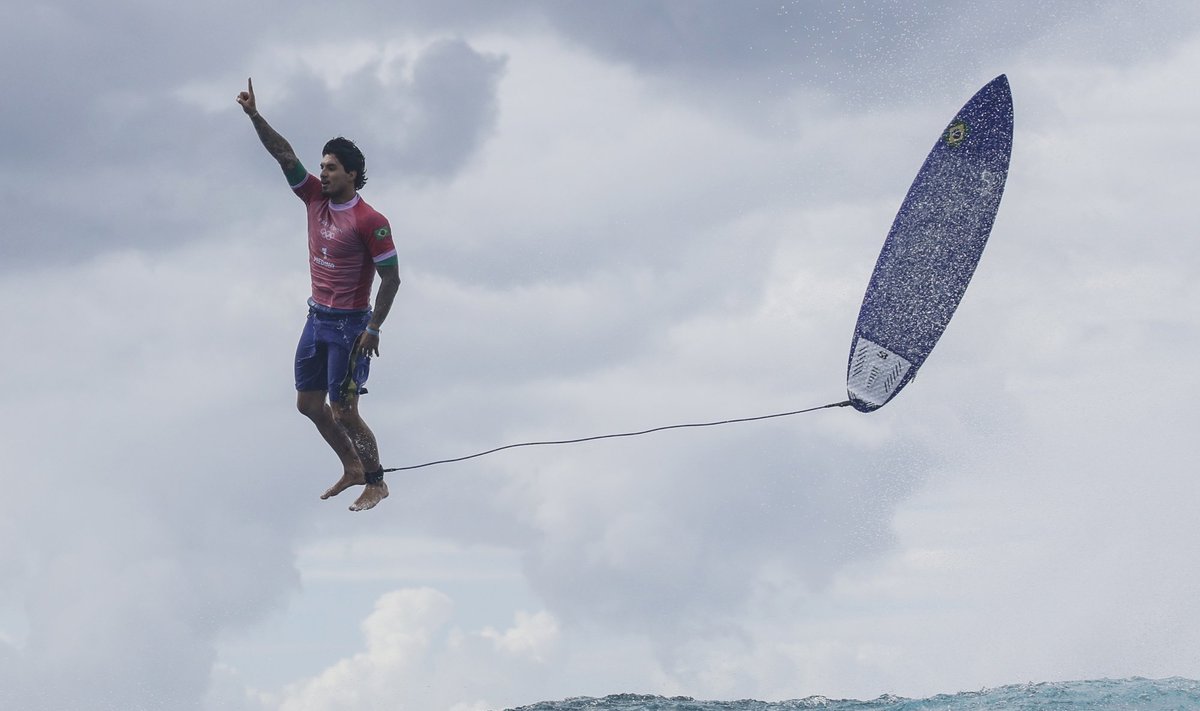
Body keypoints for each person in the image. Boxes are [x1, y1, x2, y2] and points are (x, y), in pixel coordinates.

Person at [237, 78, 401, 512]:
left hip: (350, 327)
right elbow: (284, 155)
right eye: (322, 166)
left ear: (351, 174)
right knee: (308, 403)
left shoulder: (370, 220)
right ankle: (351, 466)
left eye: (330, 167)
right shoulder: (314, 198)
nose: (322, 173)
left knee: (345, 410)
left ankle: (377, 481)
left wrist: (374, 327)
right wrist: (255, 116)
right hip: (316, 319)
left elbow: (392, 279)